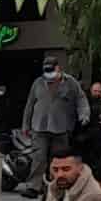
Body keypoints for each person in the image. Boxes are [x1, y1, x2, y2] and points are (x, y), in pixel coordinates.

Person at [21, 57, 88, 193]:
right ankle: (34, 186)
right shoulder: (38, 83)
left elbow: (81, 100)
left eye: (51, 70)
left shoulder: (70, 83)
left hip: (62, 128)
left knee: (58, 161)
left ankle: (56, 187)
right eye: (46, 70)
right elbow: (29, 104)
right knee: (39, 158)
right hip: (40, 126)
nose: (48, 73)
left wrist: (84, 115)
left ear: (58, 68)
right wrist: (25, 125)